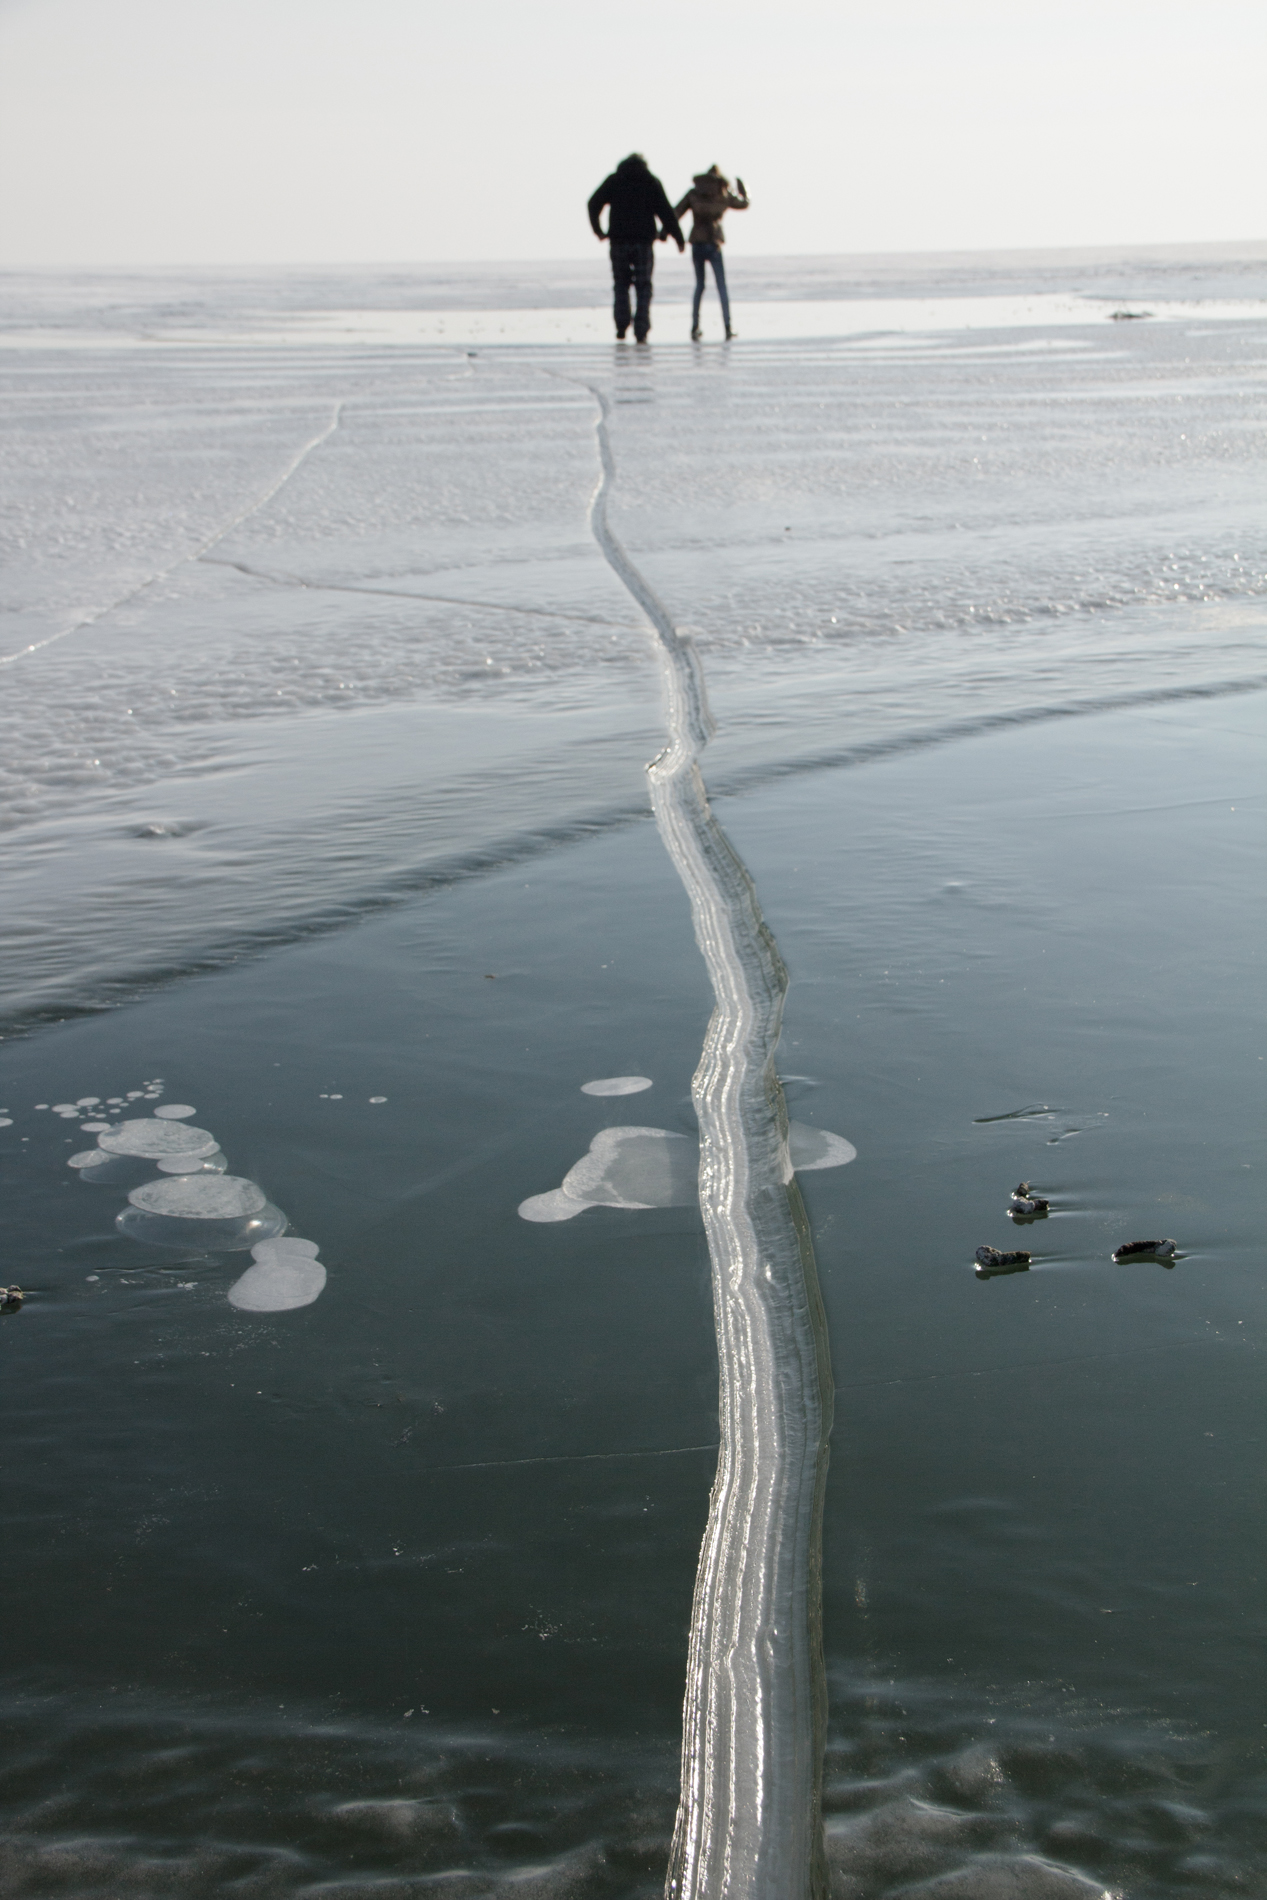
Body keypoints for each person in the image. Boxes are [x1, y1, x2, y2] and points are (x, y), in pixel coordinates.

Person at [588, 153, 685, 343]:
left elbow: (593, 203)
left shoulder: (615, 180)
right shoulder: (650, 181)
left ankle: (621, 326)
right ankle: (641, 330)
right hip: (643, 242)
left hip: (618, 241)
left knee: (621, 284)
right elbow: (666, 212)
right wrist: (678, 238)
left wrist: (598, 230)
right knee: (643, 286)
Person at [674, 166, 749, 339]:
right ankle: (728, 326)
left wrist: (663, 232)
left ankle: (694, 326)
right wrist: (743, 187)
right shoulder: (723, 193)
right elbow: (744, 203)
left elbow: (676, 212)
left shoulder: (693, 193)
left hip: (697, 242)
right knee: (721, 286)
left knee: (699, 285)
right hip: (714, 242)